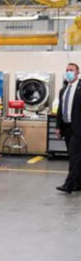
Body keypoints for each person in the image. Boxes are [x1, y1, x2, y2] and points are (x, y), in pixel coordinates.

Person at [56, 63, 81, 193]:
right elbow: (60, 109)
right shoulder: (63, 90)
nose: (68, 72)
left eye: (71, 70)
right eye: (67, 70)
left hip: (78, 128)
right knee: (75, 157)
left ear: (78, 73)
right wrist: (58, 127)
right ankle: (78, 183)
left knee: (74, 157)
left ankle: (69, 185)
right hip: (66, 128)